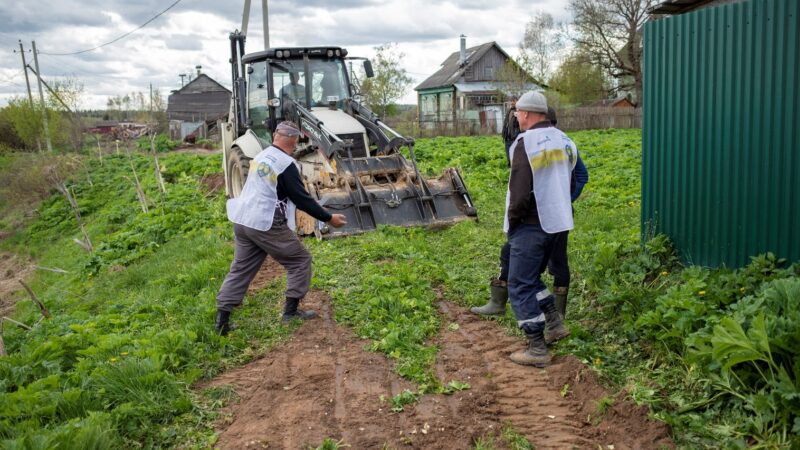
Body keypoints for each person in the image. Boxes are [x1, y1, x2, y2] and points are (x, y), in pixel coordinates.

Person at [214, 121, 347, 335]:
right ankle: (290, 312)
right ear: (295, 141)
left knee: (241, 268)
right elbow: (301, 199)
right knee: (299, 260)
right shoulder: (286, 164)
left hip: (242, 218)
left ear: (275, 136)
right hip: (264, 221)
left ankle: (221, 322)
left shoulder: (262, 156)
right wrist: (329, 218)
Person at [472, 106, 588, 323]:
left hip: (536, 217)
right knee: (512, 256)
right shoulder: (560, 142)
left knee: (551, 265)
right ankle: (500, 302)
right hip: (548, 214)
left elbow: (580, 176)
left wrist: (563, 199)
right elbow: (517, 163)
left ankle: (554, 316)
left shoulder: (552, 144)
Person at [503, 91, 576, 367]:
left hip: (531, 223)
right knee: (531, 277)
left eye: (518, 113)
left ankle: (536, 347)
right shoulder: (565, 140)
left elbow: (519, 190)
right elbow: (572, 178)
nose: (517, 118)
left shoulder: (525, 143)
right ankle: (555, 322)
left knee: (519, 282)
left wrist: (513, 219)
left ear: (528, 113)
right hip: (558, 223)